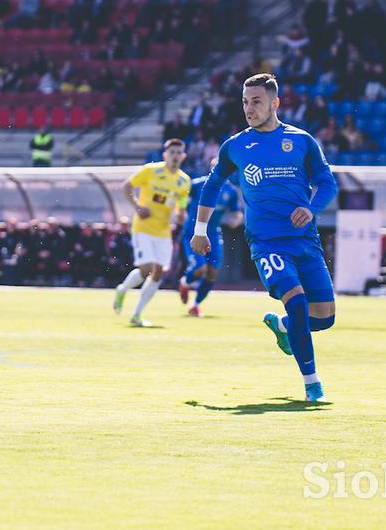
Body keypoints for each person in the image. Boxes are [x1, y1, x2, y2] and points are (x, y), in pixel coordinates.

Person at [191, 73, 338, 402]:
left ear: (275, 103)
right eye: (245, 102)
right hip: (266, 242)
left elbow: (327, 182)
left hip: (306, 241)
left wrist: (312, 208)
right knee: (298, 301)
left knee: (325, 318)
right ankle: (312, 384)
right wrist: (200, 230)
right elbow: (212, 185)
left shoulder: (301, 141)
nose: (249, 108)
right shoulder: (236, 146)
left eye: (256, 101)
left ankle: (284, 327)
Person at [112, 138, 191, 327]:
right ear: (165, 155)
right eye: (171, 152)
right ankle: (122, 289)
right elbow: (126, 187)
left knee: (158, 274)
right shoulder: (151, 170)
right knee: (146, 268)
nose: (175, 156)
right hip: (143, 227)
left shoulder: (184, 181)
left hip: (163, 232)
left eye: (178, 153)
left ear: (183, 156)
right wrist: (137, 207)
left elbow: (181, 206)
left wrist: (181, 216)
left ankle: (136, 315)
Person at [179, 158, 243, 317]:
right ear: (210, 167)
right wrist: (179, 212)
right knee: (200, 269)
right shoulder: (197, 184)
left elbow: (236, 212)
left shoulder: (231, 191)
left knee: (212, 273)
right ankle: (184, 283)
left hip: (213, 233)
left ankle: (196, 305)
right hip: (192, 232)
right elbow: (180, 197)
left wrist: (236, 219)